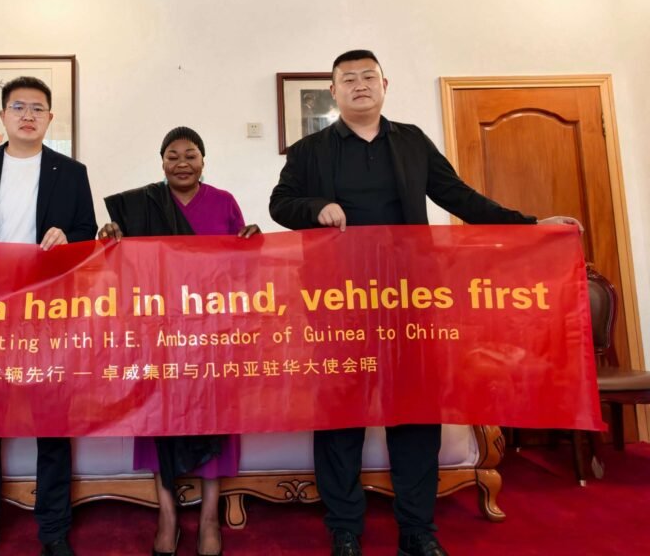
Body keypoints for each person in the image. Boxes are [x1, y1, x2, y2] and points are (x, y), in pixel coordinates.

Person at [269, 50, 581, 556]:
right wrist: (315, 207)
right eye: (347, 79)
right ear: (334, 92)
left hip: (410, 300)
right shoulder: (308, 151)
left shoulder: (411, 141)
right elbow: (279, 204)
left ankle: (417, 529)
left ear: (385, 84)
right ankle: (344, 529)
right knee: (339, 416)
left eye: (368, 76)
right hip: (337, 301)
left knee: (415, 414)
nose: (360, 84)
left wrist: (529, 226)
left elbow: (458, 196)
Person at [0, 76, 97, 556]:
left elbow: (88, 236)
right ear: (4, 116)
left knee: (52, 427)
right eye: (18, 107)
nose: (28, 115)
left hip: (49, 314)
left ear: (50, 118)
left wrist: (68, 240)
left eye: (37, 108)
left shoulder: (71, 172)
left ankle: (53, 532)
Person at [100, 126, 260, 556]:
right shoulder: (141, 206)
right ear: (162, 161)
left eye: (191, 154)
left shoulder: (224, 203)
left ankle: (210, 516)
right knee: (158, 418)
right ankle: (167, 515)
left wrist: (250, 239)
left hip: (212, 334)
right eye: (173, 155)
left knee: (215, 418)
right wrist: (114, 235)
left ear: (204, 161)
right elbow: (124, 264)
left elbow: (243, 266)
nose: (182, 162)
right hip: (159, 333)